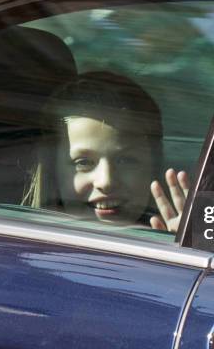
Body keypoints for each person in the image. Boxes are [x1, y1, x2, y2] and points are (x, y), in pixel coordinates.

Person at [23, 71, 188, 232]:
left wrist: (186, 244)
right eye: (83, 162)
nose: (106, 182)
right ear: (52, 171)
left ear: (154, 167)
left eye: (125, 161)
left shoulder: (182, 237)